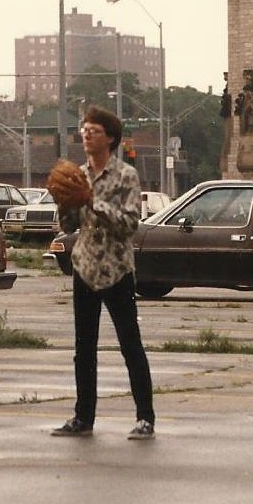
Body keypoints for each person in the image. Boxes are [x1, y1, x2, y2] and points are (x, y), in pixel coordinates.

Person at [51, 105, 156, 440]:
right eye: (83, 129)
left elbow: (129, 224)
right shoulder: (79, 174)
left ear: (110, 138)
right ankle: (84, 417)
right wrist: (65, 203)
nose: (86, 134)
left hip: (117, 269)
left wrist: (93, 199)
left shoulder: (125, 175)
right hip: (85, 266)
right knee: (84, 347)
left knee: (130, 344)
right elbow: (69, 226)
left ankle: (145, 417)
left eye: (93, 130)